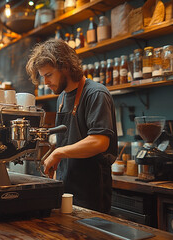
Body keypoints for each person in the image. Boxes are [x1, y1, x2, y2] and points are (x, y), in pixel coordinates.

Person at [26, 39, 118, 213]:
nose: (45, 82)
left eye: (49, 75)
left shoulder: (95, 93)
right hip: (66, 188)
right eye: (42, 76)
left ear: (65, 66)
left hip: (91, 194)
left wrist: (58, 153)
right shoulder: (61, 98)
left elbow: (99, 142)